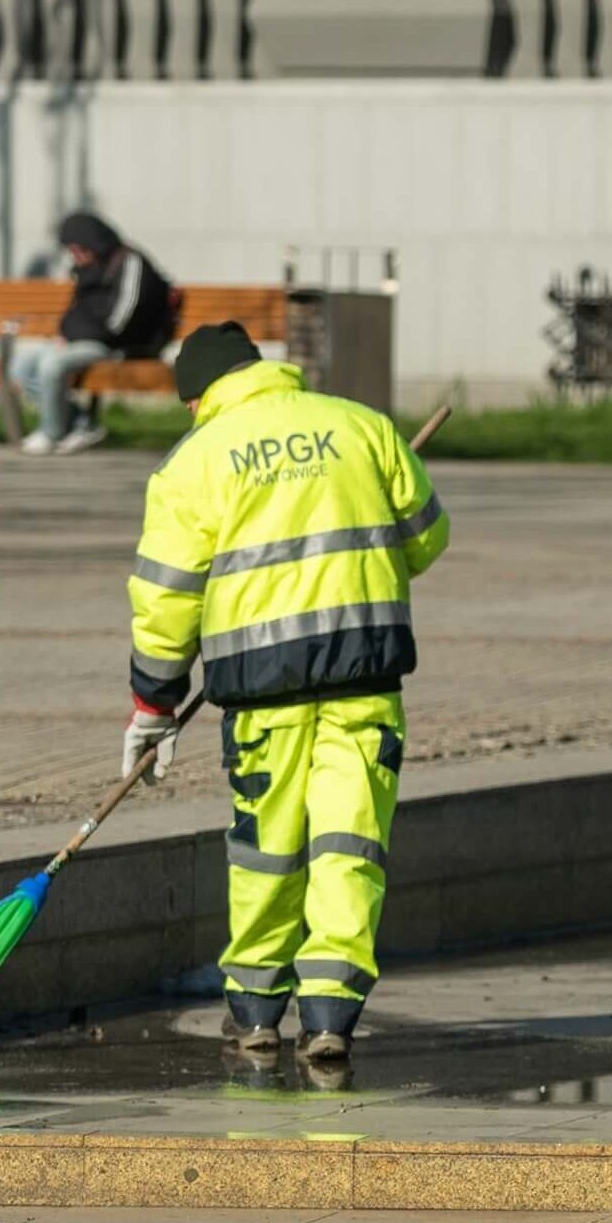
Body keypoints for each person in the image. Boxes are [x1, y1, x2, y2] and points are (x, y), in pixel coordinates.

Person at [124, 322, 449, 1063]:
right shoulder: (363, 427)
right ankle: (330, 1018)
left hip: (262, 692)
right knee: (348, 846)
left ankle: (255, 1012)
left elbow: (166, 598)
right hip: (364, 679)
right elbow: (427, 540)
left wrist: (155, 703)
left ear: (198, 397)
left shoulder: (193, 463)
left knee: (266, 850)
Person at [14, 209, 174, 455]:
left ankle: (52, 433)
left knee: (51, 366)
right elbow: (76, 311)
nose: (75, 256)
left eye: (78, 249)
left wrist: (77, 335)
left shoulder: (131, 263)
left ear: (94, 242)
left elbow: (120, 321)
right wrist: (66, 335)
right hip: (78, 341)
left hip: (116, 346)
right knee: (22, 365)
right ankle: (81, 422)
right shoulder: (87, 269)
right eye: (71, 250)